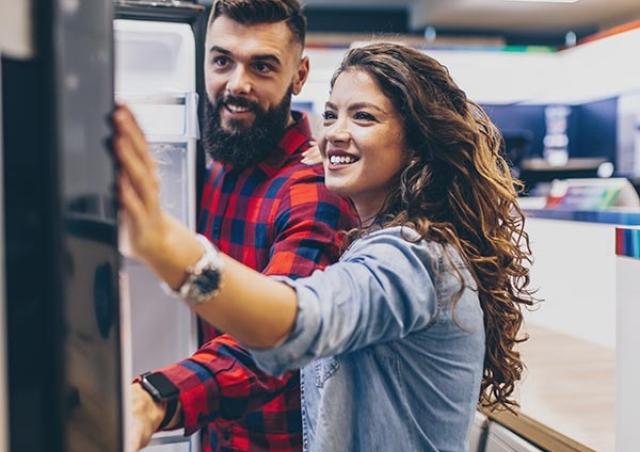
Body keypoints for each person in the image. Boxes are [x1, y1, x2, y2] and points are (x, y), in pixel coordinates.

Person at [115, 42, 535, 451]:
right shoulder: (371, 242)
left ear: (418, 144)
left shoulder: (415, 257)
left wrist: (163, 245)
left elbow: (300, 320)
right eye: (331, 115)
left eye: (364, 117)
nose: (335, 132)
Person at [121, 0, 356, 450]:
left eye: (262, 67)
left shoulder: (312, 195)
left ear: (299, 75)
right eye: (222, 61)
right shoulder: (218, 164)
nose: (237, 84)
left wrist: (155, 398)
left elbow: (277, 342)